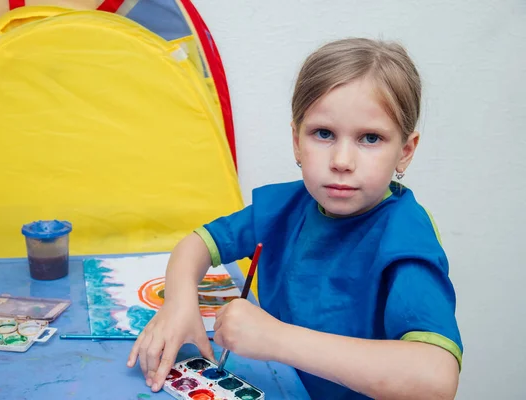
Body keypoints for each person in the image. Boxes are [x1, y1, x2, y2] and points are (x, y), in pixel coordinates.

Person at [127, 37, 463, 399]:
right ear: (296, 141)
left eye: (370, 138)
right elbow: (196, 244)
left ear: (405, 152)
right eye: (323, 134)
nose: (342, 160)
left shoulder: (405, 236)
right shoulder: (285, 205)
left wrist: (276, 339)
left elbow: (436, 379)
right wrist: (179, 304)